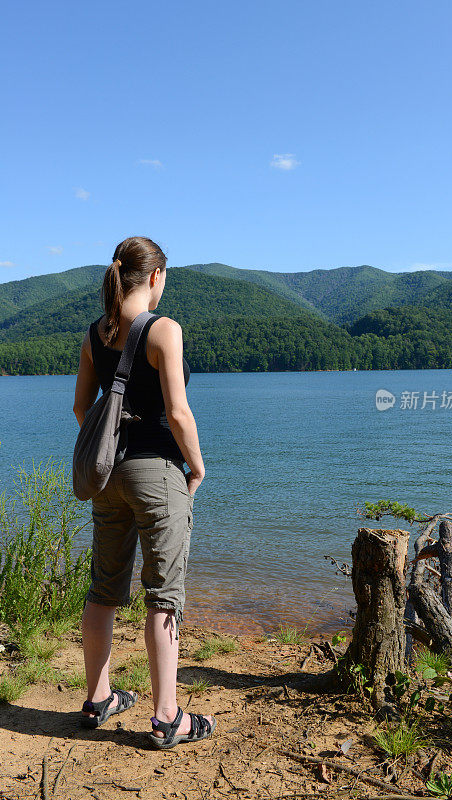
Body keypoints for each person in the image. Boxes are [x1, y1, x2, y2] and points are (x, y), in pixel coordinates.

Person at [73, 236, 216, 749]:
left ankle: (98, 699)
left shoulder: (96, 334)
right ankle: (166, 718)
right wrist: (196, 466)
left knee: (104, 590)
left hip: (108, 477)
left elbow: (81, 410)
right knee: (164, 595)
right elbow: (177, 412)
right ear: (154, 277)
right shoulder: (163, 329)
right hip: (157, 474)